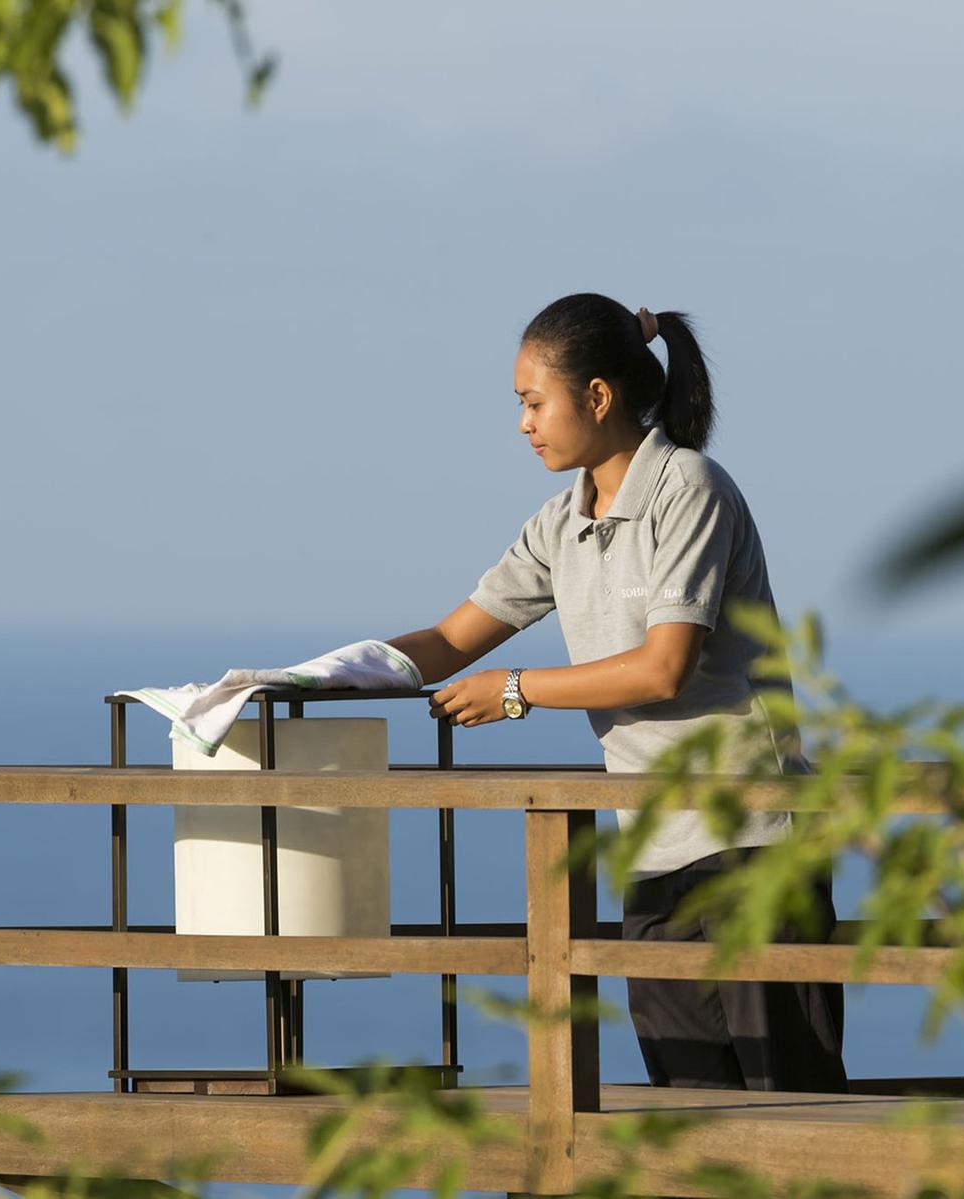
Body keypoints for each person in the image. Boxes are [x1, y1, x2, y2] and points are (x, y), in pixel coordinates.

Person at [383, 292, 846, 1093]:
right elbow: (450, 641)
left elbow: (664, 666)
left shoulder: (689, 488)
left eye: (534, 403)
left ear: (598, 396)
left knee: (795, 1114)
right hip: (656, 853)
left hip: (753, 844)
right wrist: (304, 676)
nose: (522, 424)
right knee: (686, 1122)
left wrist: (517, 691)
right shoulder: (560, 525)